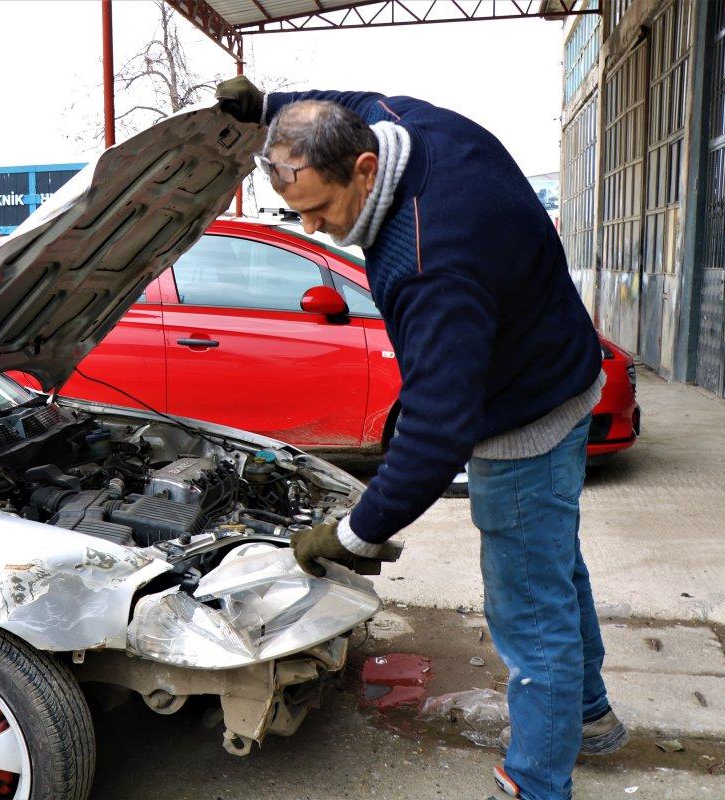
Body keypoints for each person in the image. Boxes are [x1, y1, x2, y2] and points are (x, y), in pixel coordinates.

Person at [214, 77, 627, 800]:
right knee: (552, 568)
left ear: (364, 168)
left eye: (317, 210)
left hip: (524, 413)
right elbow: (346, 97)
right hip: (562, 359)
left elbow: (437, 432)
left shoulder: (431, 262)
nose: (310, 230)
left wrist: (355, 533)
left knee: (529, 605)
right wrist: (268, 102)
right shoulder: (394, 123)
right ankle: (587, 717)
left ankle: (538, 781)